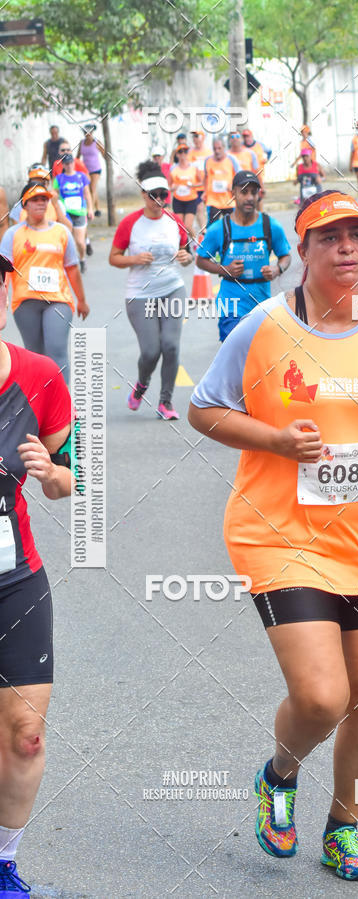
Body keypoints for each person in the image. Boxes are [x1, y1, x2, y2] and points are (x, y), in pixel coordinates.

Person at [188, 188, 358, 882]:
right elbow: (206, 408)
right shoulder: (265, 327)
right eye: (330, 237)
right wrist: (275, 439)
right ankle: (279, 775)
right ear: (299, 250)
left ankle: (343, 828)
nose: (347, 249)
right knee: (322, 696)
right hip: (281, 533)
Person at [0, 251, 75, 899]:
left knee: (24, 736)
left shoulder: (40, 376)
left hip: (13, 579)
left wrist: (52, 474)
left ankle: (3, 860)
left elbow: (67, 478)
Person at [109, 160, 193, 421]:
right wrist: (134, 259)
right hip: (140, 294)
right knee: (150, 351)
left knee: (170, 346)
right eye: (153, 195)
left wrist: (185, 257)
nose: (159, 200)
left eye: (163, 195)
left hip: (172, 289)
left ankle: (165, 402)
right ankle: (142, 384)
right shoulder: (130, 224)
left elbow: (187, 253)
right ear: (143, 195)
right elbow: (114, 257)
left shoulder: (174, 220)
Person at [0, 183, 88, 382]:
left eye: (44, 199)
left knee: (56, 352)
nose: (40, 203)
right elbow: (4, 272)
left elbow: (73, 269)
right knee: (35, 356)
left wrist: (81, 300)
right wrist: (2, 299)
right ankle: (40, 406)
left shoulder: (62, 232)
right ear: (25, 205)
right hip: (25, 301)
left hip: (58, 300)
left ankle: (64, 407)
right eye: (35, 199)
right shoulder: (13, 235)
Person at [196, 170, 291, 342]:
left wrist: (277, 269)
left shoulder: (270, 225)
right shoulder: (219, 228)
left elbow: (285, 256)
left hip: (262, 304)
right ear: (234, 194)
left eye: (254, 192)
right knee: (238, 352)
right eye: (244, 192)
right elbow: (201, 260)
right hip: (230, 305)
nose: (249, 197)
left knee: (260, 357)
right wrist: (225, 269)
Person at [53, 153, 93, 271]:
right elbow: (54, 194)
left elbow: (87, 193)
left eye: (71, 163)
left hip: (80, 212)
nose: (69, 165)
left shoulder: (81, 177)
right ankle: (68, 262)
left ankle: (82, 258)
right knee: (67, 239)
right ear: (63, 165)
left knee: (80, 242)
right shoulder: (59, 179)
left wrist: (90, 208)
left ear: (74, 163)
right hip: (66, 213)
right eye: (66, 163)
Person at [9, 164, 72, 231]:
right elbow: (16, 234)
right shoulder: (20, 206)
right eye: (35, 183)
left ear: (48, 184)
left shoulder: (55, 202)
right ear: (28, 183)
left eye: (43, 183)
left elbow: (68, 229)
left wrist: (56, 205)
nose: (39, 187)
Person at [202, 138, 239, 226]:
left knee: (231, 226)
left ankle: (230, 240)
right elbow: (205, 177)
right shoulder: (208, 160)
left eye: (219, 148)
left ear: (224, 148)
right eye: (215, 149)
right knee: (212, 226)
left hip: (229, 200)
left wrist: (233, 187)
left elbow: (239, 177)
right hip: (213, 200)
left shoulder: (231, 159)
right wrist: (205, 191)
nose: (217, 151)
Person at [168, 143, 202, 236]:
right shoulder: (173, 168)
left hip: (191, 200)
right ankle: (184, 247)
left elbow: (202, 182)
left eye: (185, 151)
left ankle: (195, 243)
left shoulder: (194, 167)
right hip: (178, 200)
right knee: (180, 226)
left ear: (187, 153)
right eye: (180, 152)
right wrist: (173, 188)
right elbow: (169, 186)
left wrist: (193, 186)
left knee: (187, 225)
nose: (183, 154)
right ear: (177, 154)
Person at [76, 124, 105, 217]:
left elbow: (104, 154)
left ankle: (90, 210)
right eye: (85, 133)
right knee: (91, 189)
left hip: (96, 169)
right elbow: (78, 156)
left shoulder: (97, 142)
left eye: (89, 133)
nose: (87, 134)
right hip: (85, 170)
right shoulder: (81, 143)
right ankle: (98, 209)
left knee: (92, 188)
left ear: (92, 133)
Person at [188, 131, 211, 233]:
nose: (195, 139)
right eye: (194, 137)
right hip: (196, 187)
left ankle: (210, 229)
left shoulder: (209, 152)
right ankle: (203, 230)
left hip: (208, 186)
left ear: (203, 137)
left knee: (211, 209)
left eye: (197, 136)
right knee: (199, 208)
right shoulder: (190, 153)